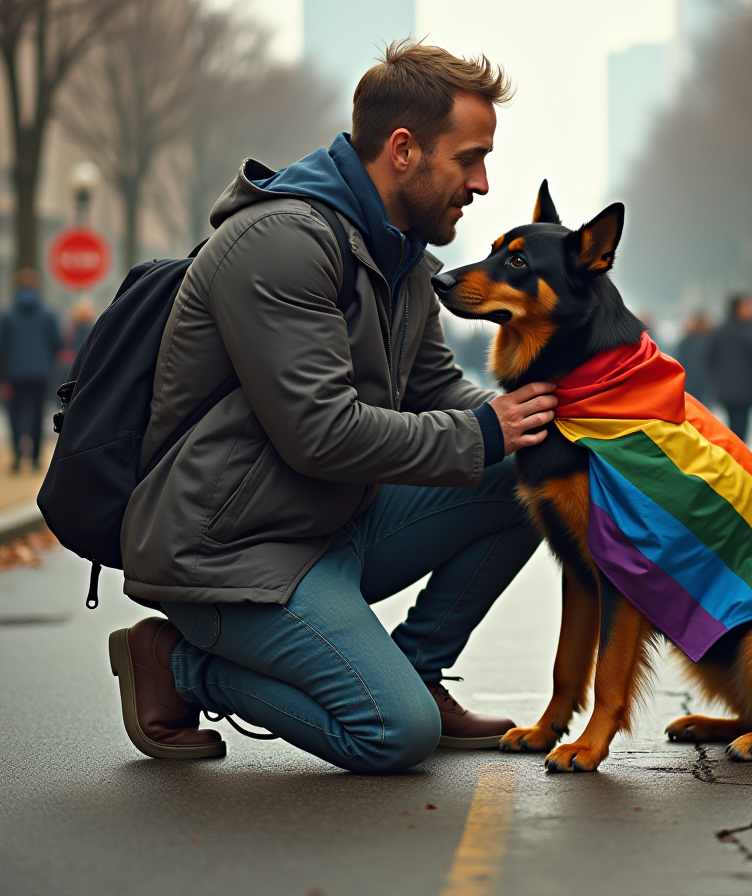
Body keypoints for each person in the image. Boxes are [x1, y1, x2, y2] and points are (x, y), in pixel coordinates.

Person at [111, 41, 559, 773]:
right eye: (470, 158)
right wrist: (483, 430)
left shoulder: (401, 256)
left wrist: (538, 423)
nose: (482, 183)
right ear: (404, 149)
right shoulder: (282, 242)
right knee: (393, 735)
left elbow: (435, 392)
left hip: (329, 525)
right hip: (231, 554)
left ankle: (417, 668)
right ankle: (177, 662)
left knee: (527, 472)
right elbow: (318, 435)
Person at [0, 268, 62, 472]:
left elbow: (2, 347)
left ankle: (18, 456)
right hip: (41, 373)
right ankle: (35, 458)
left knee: (16, 415)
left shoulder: (7, 316)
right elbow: (57, 344)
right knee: (36, 414)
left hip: (14, 374)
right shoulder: (48, 315)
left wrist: (3, 377)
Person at [707, 294, 752, 441]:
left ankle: (736, 453)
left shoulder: (719, 330)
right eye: (748, 307)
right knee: (742, 425)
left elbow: (710, 358)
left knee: (734, 423)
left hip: (729, 388)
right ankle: (740, 453)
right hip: (745, 388)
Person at [674, 310, 714, 407]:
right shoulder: (711, 342)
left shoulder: (685, 342)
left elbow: (679, 361)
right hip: (706, 382)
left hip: (689, 381)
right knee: (705, 410)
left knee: (691, 409)